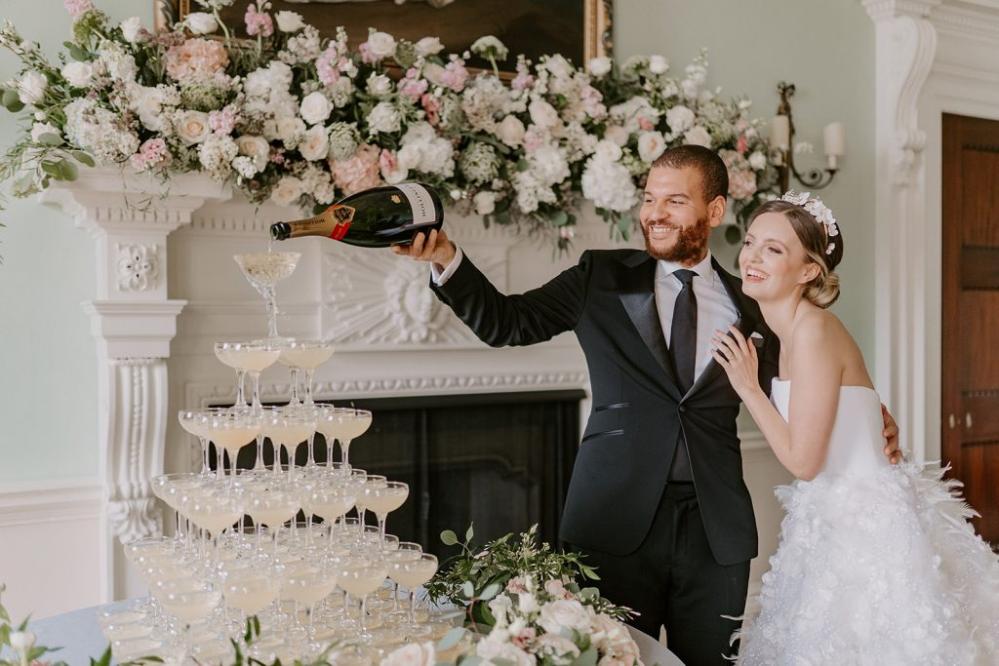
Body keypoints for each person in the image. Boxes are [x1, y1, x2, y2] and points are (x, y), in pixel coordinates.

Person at [393, 145, 901, 664]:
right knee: (610, 659)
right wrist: (445, 259)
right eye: (649, 198)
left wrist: (868, 420)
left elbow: (801, 388)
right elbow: (508, 323)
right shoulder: (599, 277)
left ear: (715, 211)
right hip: (612, 522)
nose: (655, 213)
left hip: (715, 534)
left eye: (675, 201)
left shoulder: (756, 303)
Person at [712, 192, 999, 664]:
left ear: (809, 271)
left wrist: (748, 388)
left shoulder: (813, 330)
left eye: (774, 249)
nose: (752, 257)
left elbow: (805, 462)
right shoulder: (790, 334)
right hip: (826, 523)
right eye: (750, 243)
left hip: (866, 531)